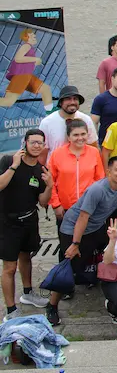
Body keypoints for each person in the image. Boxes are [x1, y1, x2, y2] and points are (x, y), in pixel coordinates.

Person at [47, 155, 117, 325]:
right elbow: (83, 217)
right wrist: (75, 244)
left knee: (115, 253)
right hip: (73, 229)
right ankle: (52, 306)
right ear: (108, 171)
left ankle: (110, 288)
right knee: (68, 267)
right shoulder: (97, 190)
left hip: (96, 227)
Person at [0, 130, 52, 321]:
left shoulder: (40, 170)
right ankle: (11, 309)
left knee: (26, 257)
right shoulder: (8, 160)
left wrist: (49, 186)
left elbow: (43, 202)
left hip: (30, 220)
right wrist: (13, 167)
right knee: (9, 268)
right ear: (25, 143)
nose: (37, 145)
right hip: (7, 222)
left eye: (40, 143)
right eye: (33, 142)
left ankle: (28, 293)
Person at [48, 119, 106, 224]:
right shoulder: (57, 154)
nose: (80, 138)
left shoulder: (94, 152)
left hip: (90, 207)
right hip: (66, 209)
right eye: (75, 135)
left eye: (83, 134)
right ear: (68, 137)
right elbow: (50, 182)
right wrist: (56, 204)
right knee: (67, 239)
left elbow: (100, 181)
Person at [39, 86, 98, 156]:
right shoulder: (47, 123)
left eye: (75, 99)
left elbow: (93, 147)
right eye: (68, 99)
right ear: (61, 102)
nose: (72, 102)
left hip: (80, 165)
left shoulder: (86, 120)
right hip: (55, 165)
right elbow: (42, 152)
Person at [91, 67, 117, 141]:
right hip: (106, 142)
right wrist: (95, 143)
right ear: (112, 79)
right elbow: (94, 123)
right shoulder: (100, 99)